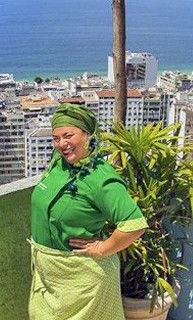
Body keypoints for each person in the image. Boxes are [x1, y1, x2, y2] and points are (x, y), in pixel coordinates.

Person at [29, 103, 148, 319]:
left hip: (84, 280)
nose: (62, 144)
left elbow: (135, 225)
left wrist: (102, 249)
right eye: (56, 138)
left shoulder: (100, 177)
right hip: (50, 276)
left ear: (86, 135)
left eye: (68, 135)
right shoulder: (59, 164)